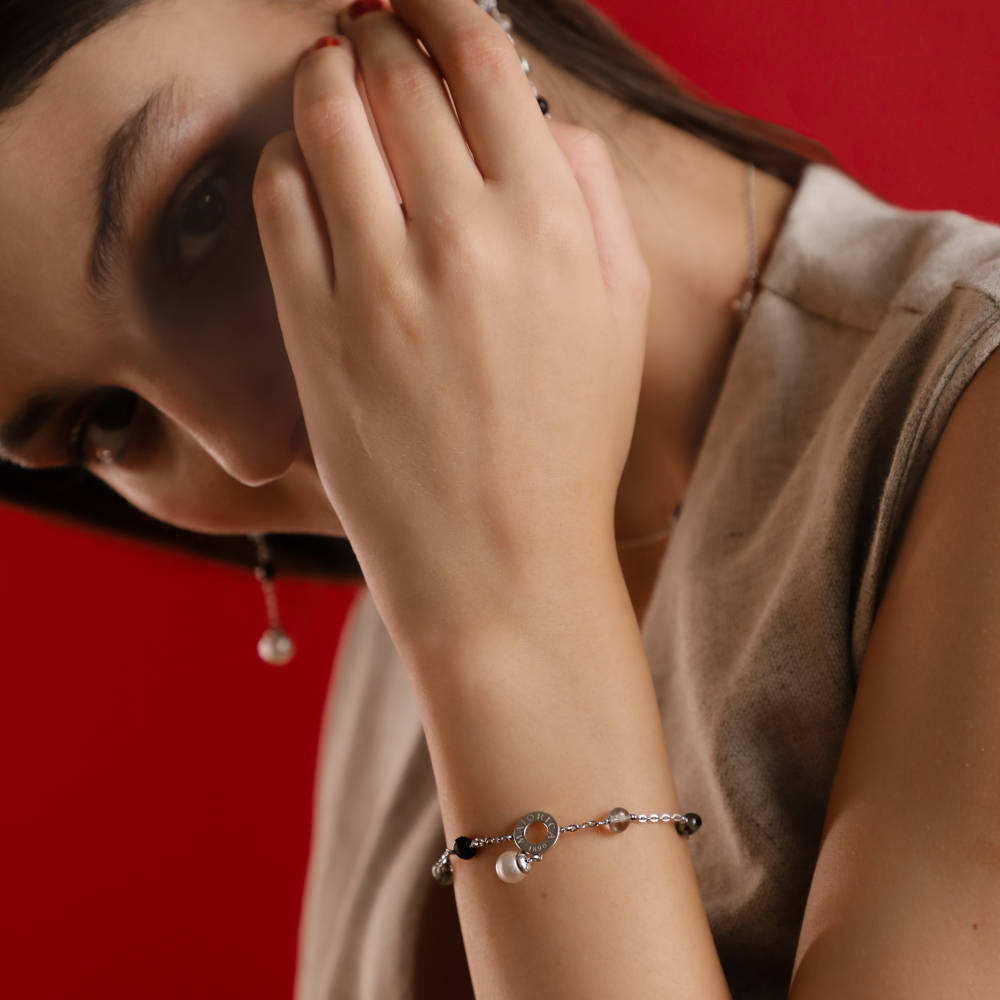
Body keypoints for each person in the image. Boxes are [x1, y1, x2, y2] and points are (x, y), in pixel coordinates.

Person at [2, 1, 998, 997]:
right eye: (105, 421)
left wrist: (507, 617)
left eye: (204, 213)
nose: (244, 450)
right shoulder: (402, 636)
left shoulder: (955, 424)